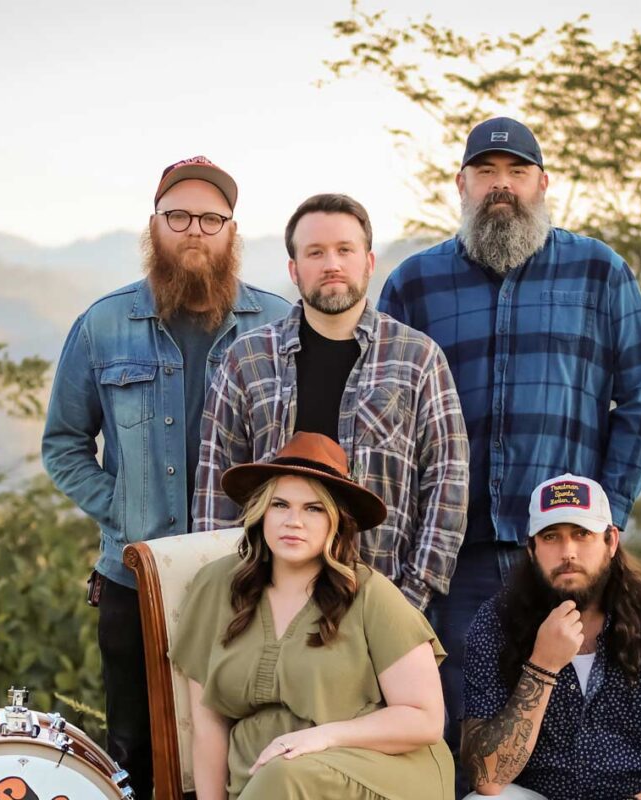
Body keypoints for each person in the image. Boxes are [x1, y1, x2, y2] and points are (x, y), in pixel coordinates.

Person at [379, 116, 641, 762]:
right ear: (461, 184)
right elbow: (386, 422)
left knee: (571, 731)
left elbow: (639, 400)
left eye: (516, 172)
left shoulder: (600, 274)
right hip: (451, 558)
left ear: (543, 183)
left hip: (566, 553)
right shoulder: (414, 285)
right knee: (452, 734)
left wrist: (605, 519)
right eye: (486, 172)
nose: (500, 186)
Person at [41, 155, 290, 798]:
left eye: (211, 217)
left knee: (252, 745)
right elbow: (64, 444)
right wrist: (123, 512)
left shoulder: (277, 325)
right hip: (133, 578)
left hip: (251, 576)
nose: (194, 230)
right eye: (177, 215)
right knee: (136, 750)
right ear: (154, 226)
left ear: (233, 231)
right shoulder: (103, 324)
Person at [192, 193, 469, 612]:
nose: (331, 264)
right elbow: (216, 485)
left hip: (379, 598)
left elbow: (448, 482)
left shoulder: (418, 359)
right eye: (315, 252)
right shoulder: (246, 359)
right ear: (294, 268)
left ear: (369, 262)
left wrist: (410, 599)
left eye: (345, 250)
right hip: (265, 602)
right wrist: (231, 597)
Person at [170, 432, 454, 799]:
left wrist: (318, 738)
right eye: (280, 505)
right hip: (261, 779)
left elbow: (425, 720)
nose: (294, 521)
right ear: (261, 512)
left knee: (284, 776)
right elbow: (207, 723)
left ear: (336, 521)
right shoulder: (217, 587)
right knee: (279, 778)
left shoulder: (371, 594)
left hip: (374, 770)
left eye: (313, 508)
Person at [460, 474, 641, 800]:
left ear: (611, 542)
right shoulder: (497, 622)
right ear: (532, 549)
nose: (568, 552)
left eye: (582, 534)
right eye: (551, 537)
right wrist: (541, 666)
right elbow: (487, 777)